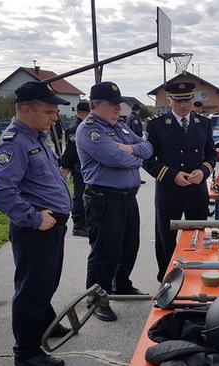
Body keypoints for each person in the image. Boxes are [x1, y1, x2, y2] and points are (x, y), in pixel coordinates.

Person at [0, 81, 72, 366]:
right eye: (49, 111)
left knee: (48, 281)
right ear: (26, 109)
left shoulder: (36, 137)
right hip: (37, 230)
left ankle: (46, 324)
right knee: (32, 290)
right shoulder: (15, 142)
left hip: (51, 227)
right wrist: (35, 218)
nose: (55, 117)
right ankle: (27, 351)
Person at [76, 82, 154, 321]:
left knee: (130, 246)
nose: (118, 108)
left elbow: (148, 147)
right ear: (95, 105)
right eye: (112, 104)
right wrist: (135, 154)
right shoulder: (89, 129)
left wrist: (129, 150)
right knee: (104, 253)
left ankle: (121, 285)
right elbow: (114, 158)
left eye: (119, 104)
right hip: (104, 199)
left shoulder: (120, 126)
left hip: (127, 198)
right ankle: (97, 298)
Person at [144, 82, 217, 282]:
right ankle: (167, 280)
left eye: (187, 100)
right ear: (169, 101)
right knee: (166, 242)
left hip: (196, 190)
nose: (183, 105)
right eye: (178, 100)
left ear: (193, 100)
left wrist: (203, 172)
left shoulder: (203, 123)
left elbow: (211, 155)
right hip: (169, 191)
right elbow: (147, 160)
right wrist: (172, 175)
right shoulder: (156, 124)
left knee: (199, 239)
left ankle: (196, 278)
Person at [60, 101, 90, 236]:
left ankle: (85, 223)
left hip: (84, 166)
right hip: (79, 167)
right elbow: (71, 150)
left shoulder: (82, 126)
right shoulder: (75, 128)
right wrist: (65, 165)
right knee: (79, 196)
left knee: (85, 195)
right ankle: (78, 225)